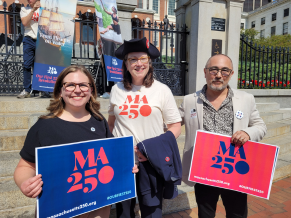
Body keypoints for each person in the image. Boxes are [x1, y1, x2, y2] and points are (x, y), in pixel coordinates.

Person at [14, 65, 138, 218]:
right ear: (60, 91)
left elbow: (110, 159)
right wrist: (25, 183)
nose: (77, 90)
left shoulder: (99, 121)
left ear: (91, 90)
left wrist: (125, 168)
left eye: (83, 85)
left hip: (98, 211)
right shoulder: (44, 126)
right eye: (70, 85)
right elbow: (24, 166)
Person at [178, 54, 267, 218]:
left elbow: (260, 126)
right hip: (203, 169)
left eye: (225, 71)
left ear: (231, 74)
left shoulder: (246, 99)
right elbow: (172, 124)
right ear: (205, 72)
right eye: (214, 70)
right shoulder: (190, 100)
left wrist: (247, 133)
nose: (219, 75)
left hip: (234, 169)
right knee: (205, 214)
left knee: (237, 214)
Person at [108, 37, 182, 218]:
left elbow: (175, 126)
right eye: (133, 59)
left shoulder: (162, 89)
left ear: (149, 62)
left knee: (152, 211)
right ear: (125, 64)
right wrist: (114, 148)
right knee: (124, 213)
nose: (138, 63)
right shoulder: (117, 89)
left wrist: (152, 148)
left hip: (151, 161)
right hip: (123, 162)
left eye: (143, 59)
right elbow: (111, 122)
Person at [18, 0, 50, 99]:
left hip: (42, 39)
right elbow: (24, 23)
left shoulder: (45, 10)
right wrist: (33, 10)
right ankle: (27, 90)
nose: (29, 0)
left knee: (42, 65)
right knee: (27, 64)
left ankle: (44, 90)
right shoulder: (24, 9)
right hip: (29, 39)